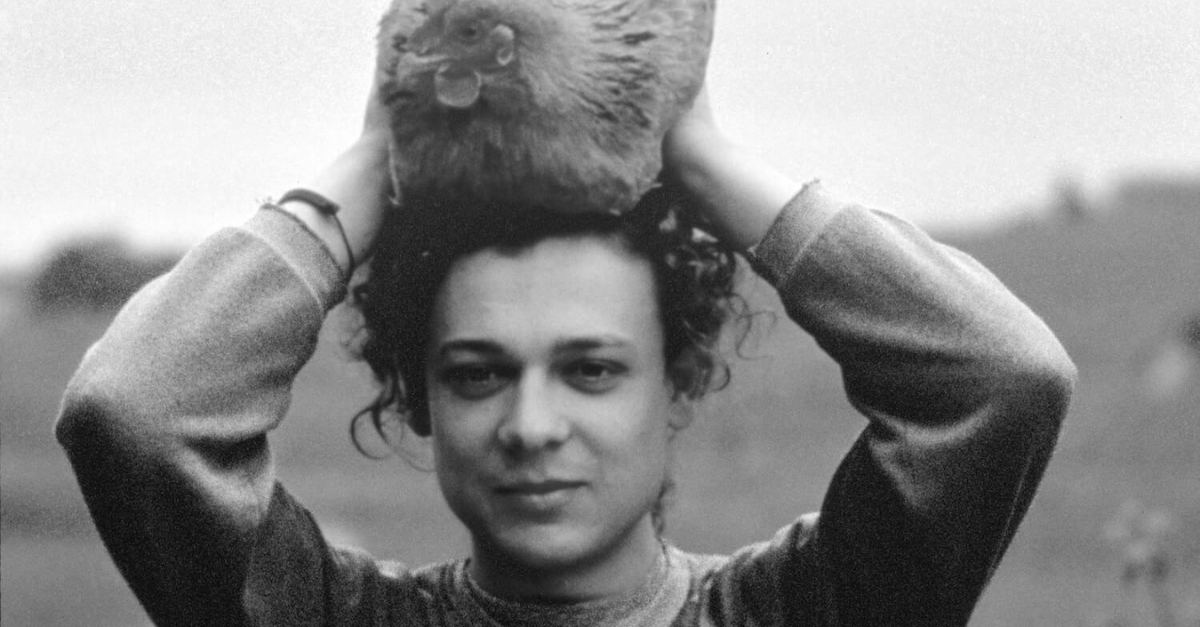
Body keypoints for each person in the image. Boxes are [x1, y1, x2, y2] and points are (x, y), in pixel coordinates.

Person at [55, 63, 1076, 626]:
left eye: (591, 369)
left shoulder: (806, 612)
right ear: (418, 398)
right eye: (478, 373)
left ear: (679, 384)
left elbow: (1000, 378)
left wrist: (700, 159)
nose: (532, 425)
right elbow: (138, 413)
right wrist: (374, 163)